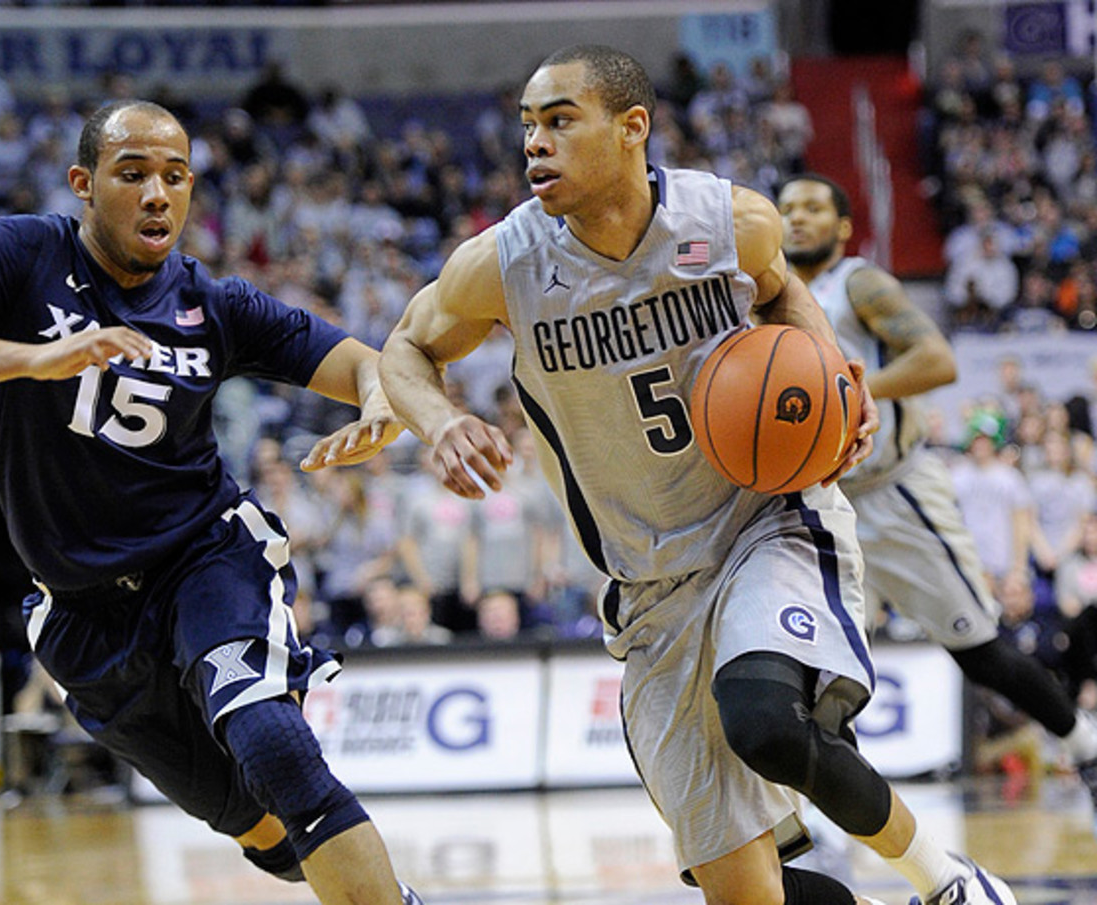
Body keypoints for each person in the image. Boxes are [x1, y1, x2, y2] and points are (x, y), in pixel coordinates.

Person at [378, 44, 1013, 905]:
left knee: (765, 721)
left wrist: (832, 373)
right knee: (750, 895)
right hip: (646, 583)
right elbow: (407, 347)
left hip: (766, 520)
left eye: (560, 121)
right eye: (528, 126)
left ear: (632, 127)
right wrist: (441, 419)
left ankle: (949, 883)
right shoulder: (503, 264)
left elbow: (783, 291)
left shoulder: (728, 220)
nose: (534, 143)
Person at [0, 99, 422, 905]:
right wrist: (32, 361)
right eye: (133, 173)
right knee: (259, 822)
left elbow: (362, 362)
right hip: (82, 612)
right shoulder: (21, 254)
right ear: (83, 183)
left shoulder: (213, 304)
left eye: (175, 177)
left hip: (200, 559)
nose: (157, 194)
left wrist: (382, 399)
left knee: (273, 742)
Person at [777, 172, 1097, 825]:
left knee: (980, 650)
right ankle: (828, 814)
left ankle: (1084, 745)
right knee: (818, 665)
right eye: (786, 208)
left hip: (894, 492)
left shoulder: (858, 282)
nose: (797, 218)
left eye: (813, 207)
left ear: (841, 226)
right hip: (818, 498)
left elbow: (938, 360)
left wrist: (855, 388)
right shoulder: (765, 292)